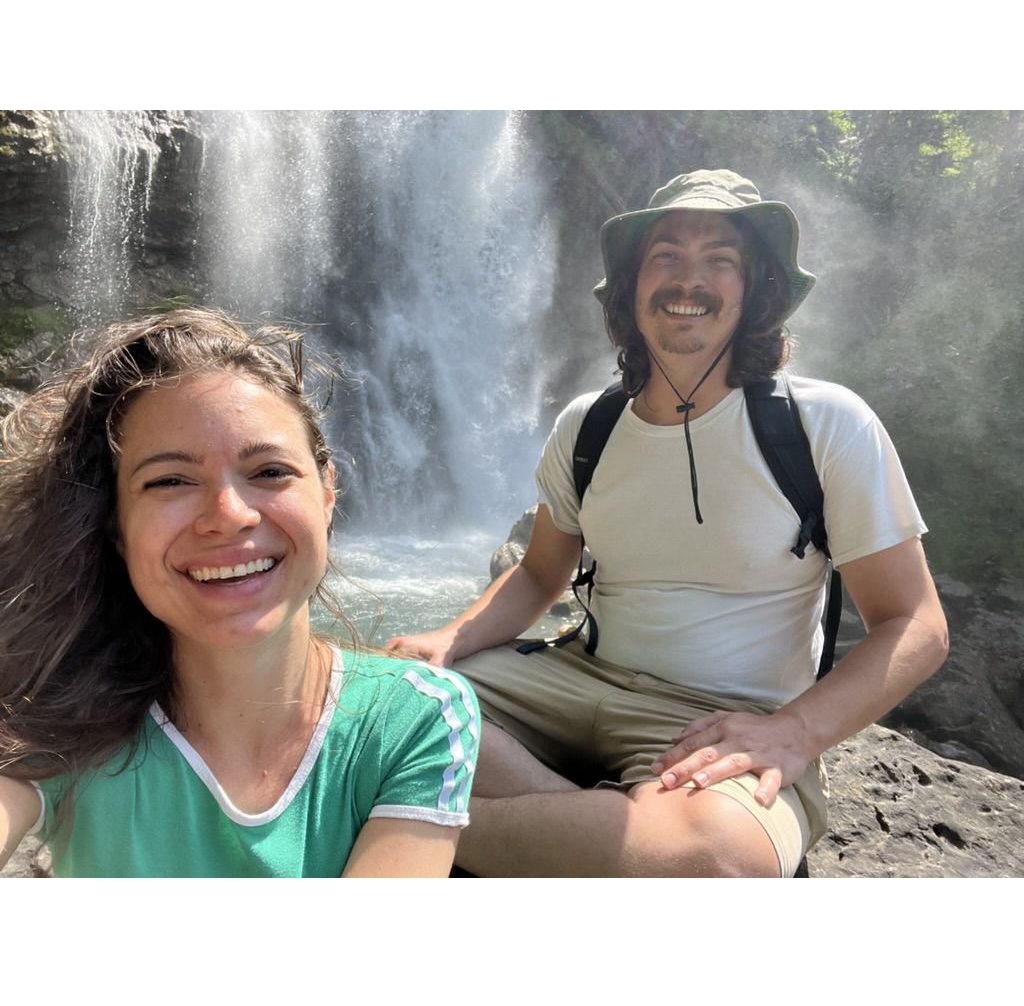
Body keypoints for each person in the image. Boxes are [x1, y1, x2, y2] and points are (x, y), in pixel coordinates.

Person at [386, 168, 949, 878]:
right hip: (567, 683)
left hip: (720, 718)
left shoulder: (822, 424)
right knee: (365, 700)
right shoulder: (586, 425)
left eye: (721, 260)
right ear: (631, 289)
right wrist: (449, 639)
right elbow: (538, 574)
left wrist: (794, 732)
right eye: (667, 257)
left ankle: (405, 827)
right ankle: (607, 832)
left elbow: (917, 625)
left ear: (755, 293)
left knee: (712, 860)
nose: (691, 279)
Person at [0, 308, 478, 878]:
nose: (227, 516)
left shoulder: (418, 717)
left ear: (327, 493)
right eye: (169, 481)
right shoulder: (47, 715)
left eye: (270, 471)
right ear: (115, 526)